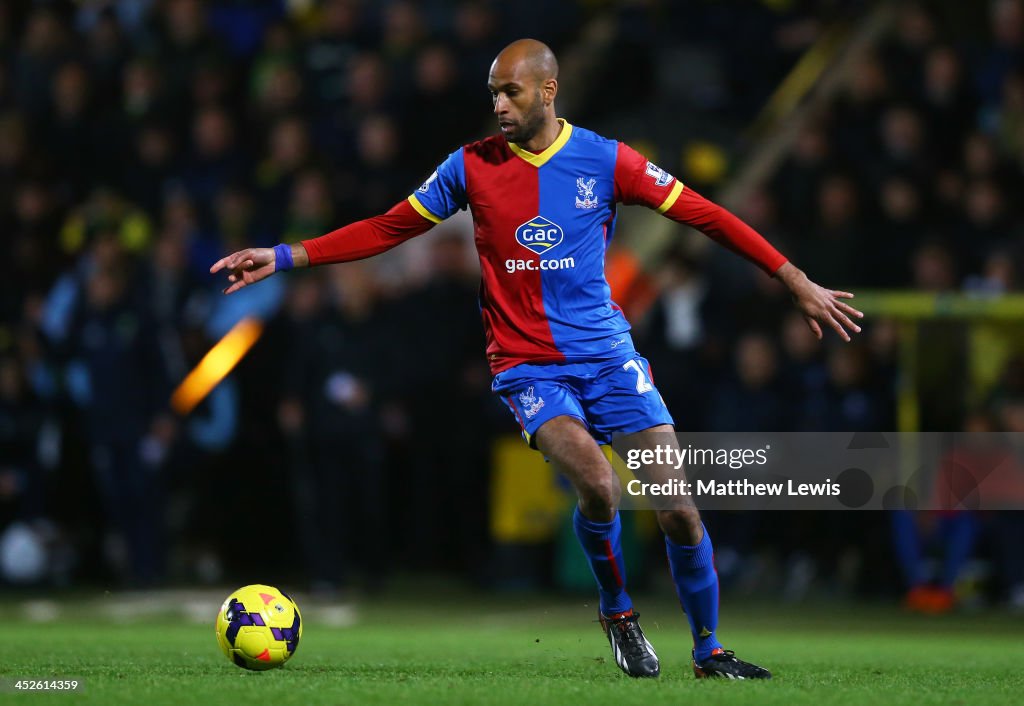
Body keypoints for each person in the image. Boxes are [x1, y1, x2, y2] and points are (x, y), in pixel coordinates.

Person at [212, 38, 863, 680]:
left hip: (608, 357)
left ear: (548, 91)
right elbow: (388, 228)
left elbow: (706, 214)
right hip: (527, 366)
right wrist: (287, 255)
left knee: (679, 510)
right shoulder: (470, 167)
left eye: (510, 91)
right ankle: (618, 610)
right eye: (492, 92)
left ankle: (709, 651)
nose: (497, 104)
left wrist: (792, 277)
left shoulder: (606, 160)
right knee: (600, 486)